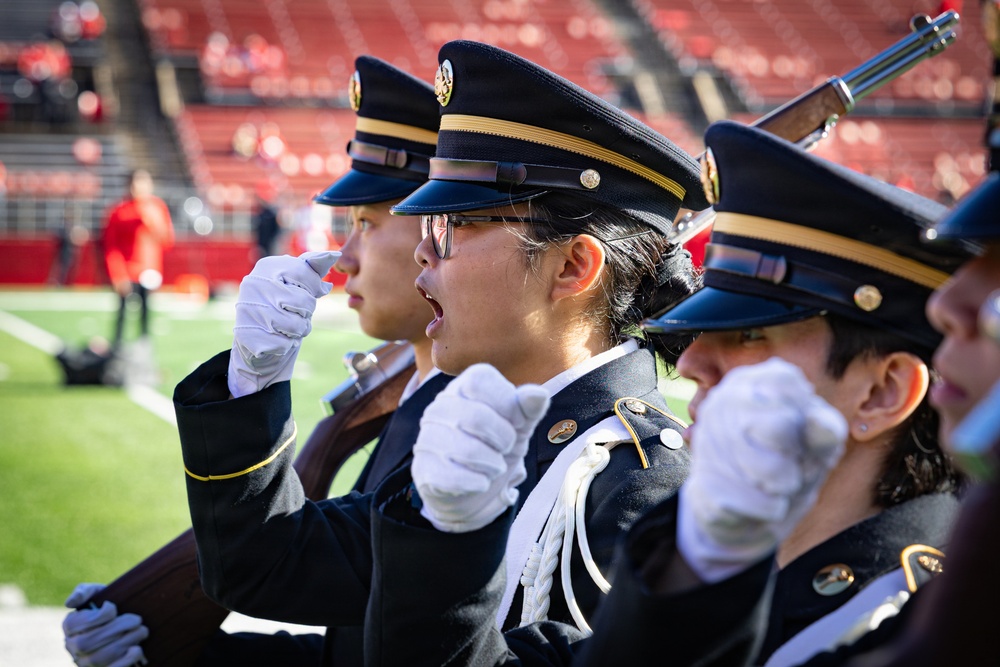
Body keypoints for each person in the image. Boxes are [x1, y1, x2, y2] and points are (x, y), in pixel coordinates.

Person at [168, 38, 707, 667]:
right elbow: (266, 566)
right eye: (428, 228)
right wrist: (251, 385)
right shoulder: (488, 430)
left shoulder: (642, 484)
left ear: (572, 266)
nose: (426, 252)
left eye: (457, 226)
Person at [362, 119, 970, 667]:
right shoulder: (700, 584)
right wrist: (446, 539)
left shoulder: (922, 630)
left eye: (751, 336)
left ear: (882, 393)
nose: (697, 361)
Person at [62, 55, 447, 667]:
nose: (344, 255)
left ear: (441, 235)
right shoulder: (419, 392)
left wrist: (255, 383)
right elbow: (358, 651)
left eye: (368, 223)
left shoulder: (480, 415)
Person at [101, 169, 174, 351]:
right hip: (127, 272)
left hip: (149, 272)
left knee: (146, 316)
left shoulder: (157, 207)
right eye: (135, 183)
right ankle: (116, 353)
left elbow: (167, 241)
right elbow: (111, 247)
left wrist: (152, 222)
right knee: (122, 316)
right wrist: (117, 275)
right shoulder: (119, 210)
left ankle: (144, 354)